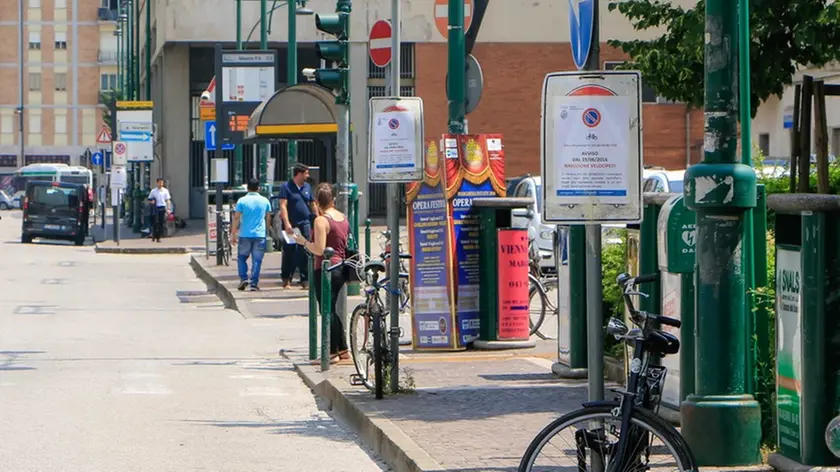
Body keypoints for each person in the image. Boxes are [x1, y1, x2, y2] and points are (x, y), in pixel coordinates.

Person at [295, 182, 350, 363]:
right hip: (341, 267)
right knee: (332, 308)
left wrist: (303, 241)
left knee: (326, 310)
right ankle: (343, 349)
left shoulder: (321, 221)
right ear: (333, 199)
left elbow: (319, 249)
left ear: (317, 201)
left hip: (325, 269)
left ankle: (331, 353)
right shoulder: (342, 217)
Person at [278, 163, 318, 290]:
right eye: (306, 173)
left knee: (305, 250)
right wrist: (287, 223)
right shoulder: (286, 187)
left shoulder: (307, 187)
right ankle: (286, 278)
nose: (308, 176)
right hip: (292, 224)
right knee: (290, 250)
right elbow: (283, 205)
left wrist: (317, 218)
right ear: (299, 174)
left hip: (305, 223)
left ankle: (305, 279)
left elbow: (312, 204)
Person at [232, 178, 272, 292]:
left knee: (241, 257)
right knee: (257, 260)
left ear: (247, 187)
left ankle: (243, 278)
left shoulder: (242, 201)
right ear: (259, 188)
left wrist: (233, 233)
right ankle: (254, 283)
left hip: (245, 234)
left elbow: (236, 217)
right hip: (259, 234)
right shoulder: (265, 201)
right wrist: (267, 229)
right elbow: (268, 217)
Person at [147, 178, 171, 242]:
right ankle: (154, 235)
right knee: (155, 222)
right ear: (157, 183)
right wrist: (151, 201)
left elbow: (167, 200)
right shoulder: (153, 191)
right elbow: (149, 199)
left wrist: (168, 209)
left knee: (161, 223)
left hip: (162, 207)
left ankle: (159, 237)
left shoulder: (165, 191)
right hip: (155, 208)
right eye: (160, 183)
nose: (161, 184)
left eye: (162, 183)